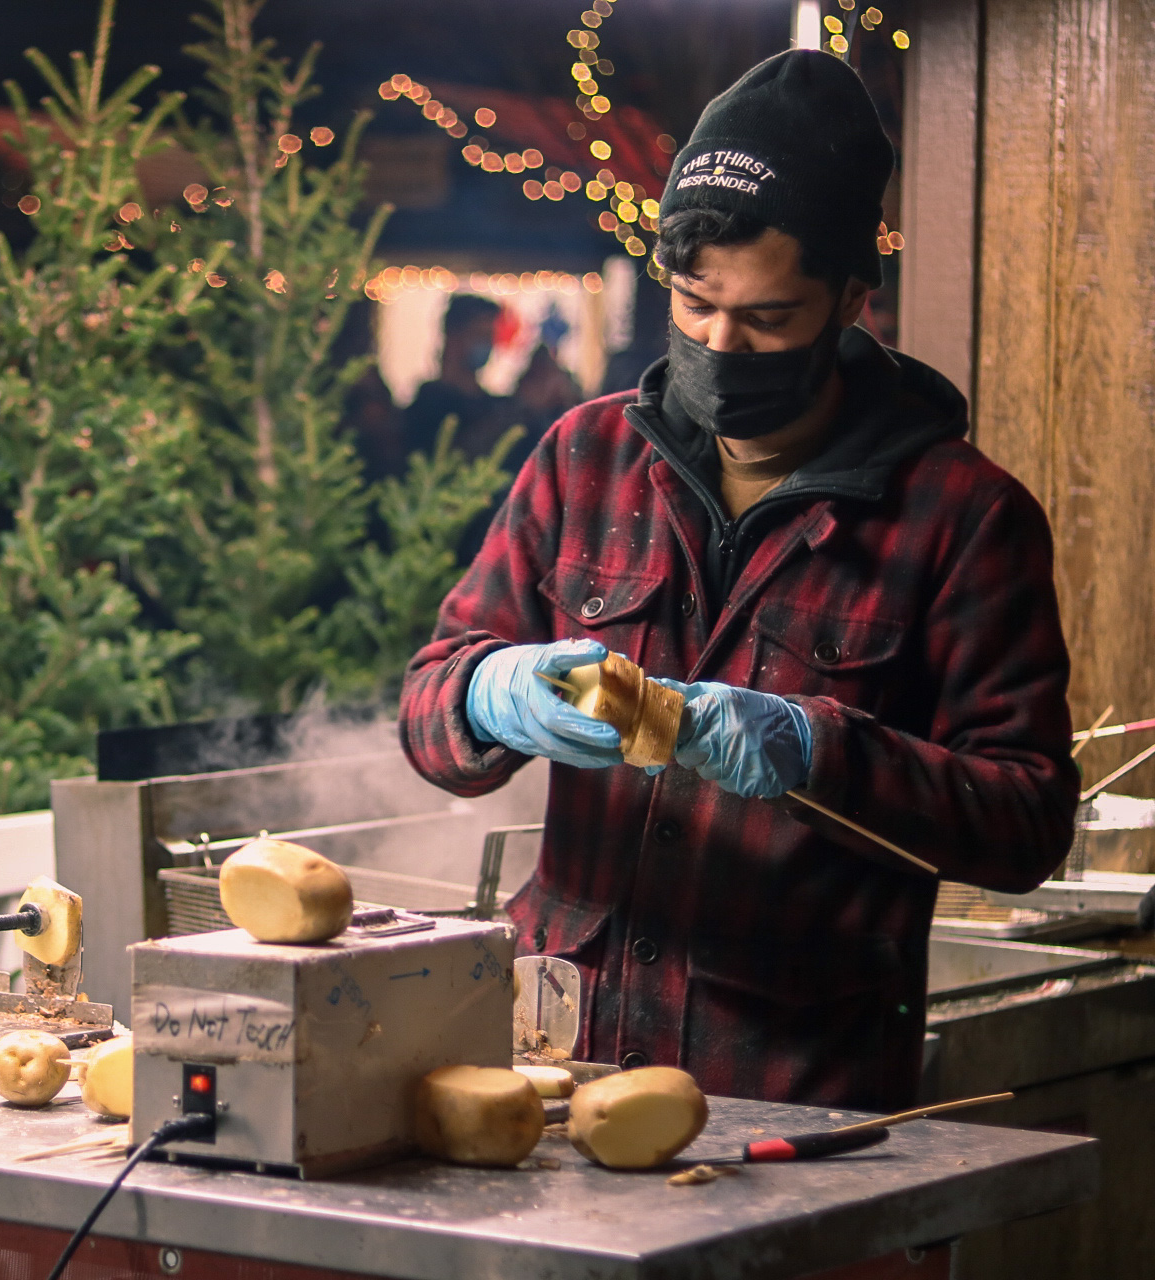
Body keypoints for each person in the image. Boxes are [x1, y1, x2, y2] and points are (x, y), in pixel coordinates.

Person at [398, 50, 1076, 1111]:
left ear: (853, 298)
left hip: (793, 1082)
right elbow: (428, 705)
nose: (720, 342)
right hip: (554, 1062)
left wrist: (818, 749)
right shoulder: (584, 459)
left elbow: (1028, 822)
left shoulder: (962, 517)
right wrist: (490, 694)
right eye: (695, 302)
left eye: (766, 319)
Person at [401, 294, 526, 468]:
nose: (486, 344)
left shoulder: (495, 403)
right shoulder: (428, 405)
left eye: (489, 336)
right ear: (453, 337)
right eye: (478, 335)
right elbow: (446, 461)